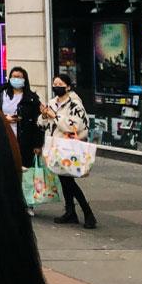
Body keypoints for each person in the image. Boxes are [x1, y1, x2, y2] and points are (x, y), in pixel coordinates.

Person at [41, 73, 97, 229]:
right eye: (55, 84)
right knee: (64, 181)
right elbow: (43, 124)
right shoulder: (52, 102)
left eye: (60, 84)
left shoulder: (75, 104)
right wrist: (45, 115)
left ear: (68, 87)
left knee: (69, 182)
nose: (56, 87)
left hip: (68, 147)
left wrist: (55, 116)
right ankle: (70, 211)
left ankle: (87, 212)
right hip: (55, 147)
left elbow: (75, 126)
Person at [2, 66, 43, 216]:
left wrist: (38, 144)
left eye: (19, 76)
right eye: (14, 76)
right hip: (5, 137)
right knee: (7, 172)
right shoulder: (2, 94)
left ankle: (28, 204)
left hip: (25, 140)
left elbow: (38, 123)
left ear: (25, 79)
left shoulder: (31, 98)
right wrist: (4, 118)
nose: (16, 79)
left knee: (26, 173)